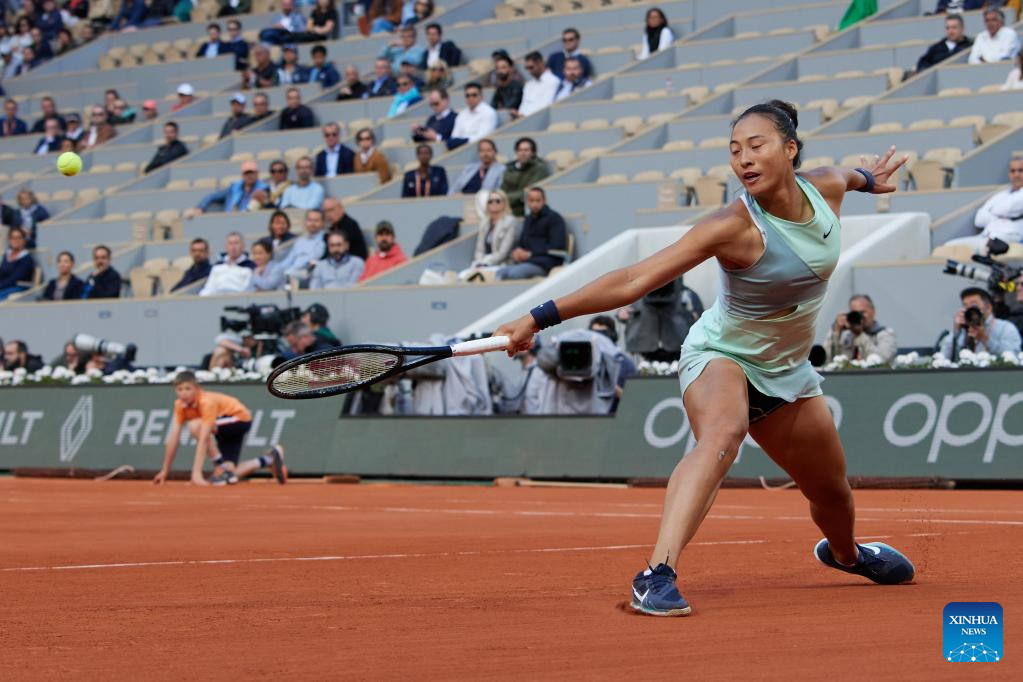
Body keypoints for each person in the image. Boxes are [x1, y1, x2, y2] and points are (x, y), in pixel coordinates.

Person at [494, 99, 916, 617]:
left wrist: (870, 180)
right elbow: (633, 280)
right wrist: (538, 317)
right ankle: (657, 573)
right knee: (722, 434)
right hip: (723, 353)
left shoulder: (825, 185)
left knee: (832, 493)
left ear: (790, 149)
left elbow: (854, 177)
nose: (744, 159)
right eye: (735, 151)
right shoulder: (732, 226)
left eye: (756, 146)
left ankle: (848, 555)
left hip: (787, 370)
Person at [153, 371, 287, 486]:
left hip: (239, 419)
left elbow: (204, 438)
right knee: (230, 473)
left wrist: (196, 474)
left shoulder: (206, 402)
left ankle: (220, 466)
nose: (184, 393)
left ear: (197, 388)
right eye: (180, 389)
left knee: (195, 426)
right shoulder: (180, 405)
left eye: (188, 388)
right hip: (222, 428)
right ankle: (269, 459)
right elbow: (174, 438)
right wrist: (165, 470)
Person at [944, 157, 1023, 250]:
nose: (1016, 174)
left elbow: (1009, 207)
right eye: (1013, 171)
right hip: (986, 236)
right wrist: (998, 217)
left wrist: (992, 212)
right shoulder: (1001, 195)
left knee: (978, 250)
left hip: (1010, 237)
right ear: (1009, 174)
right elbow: (979, 219)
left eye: (1020, 170)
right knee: (948, 246)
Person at [497, 187, 566, 280]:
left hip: (546, 263)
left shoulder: (554, 218)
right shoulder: (528, 219)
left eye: (538, 200)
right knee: (500, 273)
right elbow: (522, 243)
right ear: (527, 202)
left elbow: (557, 245)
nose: (534, 204)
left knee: (514, 274)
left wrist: (530, 254)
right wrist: (518, 252)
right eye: (531, 200)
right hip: (527, 262)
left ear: (544, 200)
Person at [939, 286, 1022, 359]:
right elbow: (943, 358)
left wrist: (985, 338)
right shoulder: (963, 331)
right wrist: (956, 332)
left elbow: (1012, 357)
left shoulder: (1005, 328)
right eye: (965, 305)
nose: (970, 309)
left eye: (974, 305)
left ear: (989, 307)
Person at [825, 293, 898, 363]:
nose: (859, 317)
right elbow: (827, 360)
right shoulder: (847, 336)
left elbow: (880, 361)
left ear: (873, 311)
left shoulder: (886, 335)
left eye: (862, 312)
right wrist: (836, 332)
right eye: (855, 313)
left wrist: (860, 335)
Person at [462, 189, 517, 277]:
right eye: (490, 201)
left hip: (502, 264)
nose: (493, 203)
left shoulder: (510, 222)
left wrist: (486, 263)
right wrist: (479, 262)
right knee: (464, 275)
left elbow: (503, 253)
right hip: (482, 264)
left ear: (504, 203)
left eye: (497, 201)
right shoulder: (484, 222)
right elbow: (479, 249)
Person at [190, 161, 269, 215]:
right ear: (242, 175)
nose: (249, 176)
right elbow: (212, 196)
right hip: (229, 220)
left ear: (257, 173)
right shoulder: (233, 188)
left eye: (252, 173)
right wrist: (200, 207)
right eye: (246, 173)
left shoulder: (265, 189)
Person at [501, 137, 551, 217]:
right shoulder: (509, 168)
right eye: (520, 150)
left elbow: (528, 192)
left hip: (526, 210)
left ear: (533, 152)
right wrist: (501, 198)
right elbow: (502, 190)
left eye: (526, 150)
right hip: (507, 208)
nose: (522, 153)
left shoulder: (540, 168)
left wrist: (504, 199)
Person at [199, 232, 256, 296]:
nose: (233, 247)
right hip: (215, 298)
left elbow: (248, 289)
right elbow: (209, 287)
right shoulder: (217, 266)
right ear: (226, 246)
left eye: (236, 243)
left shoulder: (250, 266)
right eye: (230, 243)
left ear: (243, 246)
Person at [280, 208, 328, 280]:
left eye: (316, 220)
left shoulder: (326, 239)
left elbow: (310, 264)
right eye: (310, 220)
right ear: (305, 222)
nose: (312, 224)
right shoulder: (300, 240)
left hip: (309, 275)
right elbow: (289, 260)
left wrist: (288, 272)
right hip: (291, 273)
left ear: (323, 223)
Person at [448, 82, 498, 150]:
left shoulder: (489, 112)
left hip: (479, 149)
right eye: (467, 95)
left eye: (474, 95)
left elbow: (484, 136)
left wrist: (464, 141)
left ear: (481, 96)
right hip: (460, 149)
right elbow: (454, 136)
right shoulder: (461, 114)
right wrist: (461, 141)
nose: (470, 98)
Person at [512, 51, 559, 119]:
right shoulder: (528, 85)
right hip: (523, 120)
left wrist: (524, 116)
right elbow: (523, 105)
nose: (529, 71)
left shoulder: (553, 81)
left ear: (540, 63)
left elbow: (545, 106)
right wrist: (519, 115)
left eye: (531, 67)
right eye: (527, 68)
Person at [0, 226, 35, 300]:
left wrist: (1, 286)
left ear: (24, 240)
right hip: (3, 287)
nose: (15, 240)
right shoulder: (7, 254)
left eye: (18, 238)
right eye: (12, 238)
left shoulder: (27, 259)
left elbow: (15, 279)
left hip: (18, 288)